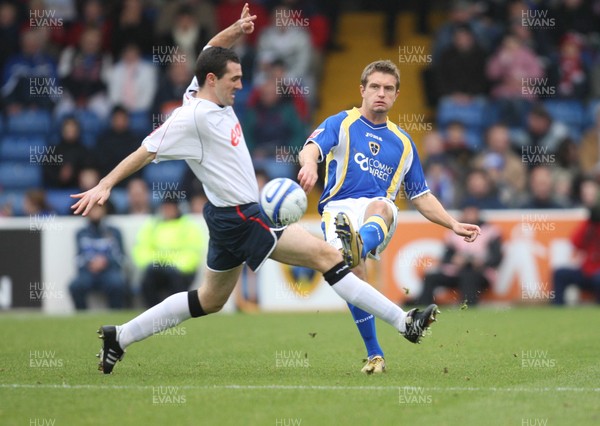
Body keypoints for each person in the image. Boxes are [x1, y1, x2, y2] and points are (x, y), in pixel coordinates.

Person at [71, 4, 480, 375]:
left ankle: (119, 337)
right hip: (240, 214)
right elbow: (143, 152)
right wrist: (105, 183)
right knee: (326, 255)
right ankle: (403, 322)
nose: (240, 86)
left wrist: (235, 29)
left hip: (228, 215)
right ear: (214, 81)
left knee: (209, 300)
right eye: (235, 79)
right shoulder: (189, 118)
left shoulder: (204, 91)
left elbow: (210, 49)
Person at [297, 59, 481, 374]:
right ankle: (376, 354)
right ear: (362, 90)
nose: (381, 93)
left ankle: (356, 245)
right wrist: (310, 165)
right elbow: (311, 147)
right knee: (355, 279)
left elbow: (421, 195)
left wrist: (452, 223)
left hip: (376, 213)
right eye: (375, 87)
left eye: (388, 88)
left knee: (382, 205)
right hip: (338, 209)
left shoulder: (404, 143)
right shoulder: (341, 123)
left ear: (396, 95)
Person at [417, 203, 503, 306]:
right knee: (431, 277)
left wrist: (482, 262)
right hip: (456, 270)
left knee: (469, 275)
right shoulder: (453, 232)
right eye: (467, 212)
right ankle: (425, 305)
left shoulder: (490, 231)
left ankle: (469, 305)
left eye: (473, 212)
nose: (470, 216)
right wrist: (455, 259)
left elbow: (497, 257)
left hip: (481, 272)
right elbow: (446, 257)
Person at [133, 199, 204, 308]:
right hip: (157, 267)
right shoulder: (152, 225)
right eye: (165, 207)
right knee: (148, 279)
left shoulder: (188, 226)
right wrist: (154, 262)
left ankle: (175, 311)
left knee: (175, 278)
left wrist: (174, 265)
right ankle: (152, 311)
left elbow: (192, 253)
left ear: (177, 208)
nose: (167, 210)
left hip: (180, 271)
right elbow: (141, 248)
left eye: (170, 207)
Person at [69, 202, 128, 310]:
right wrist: (90, 262)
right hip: (88, 272)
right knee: (75, 286)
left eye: (98, 208)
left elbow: (122, 258)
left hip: (109, 271)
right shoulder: (81, 233)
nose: (95, 211)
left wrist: (106, 262)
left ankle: (116, 316)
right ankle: (81, 317)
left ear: (104, 210)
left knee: (117, 284)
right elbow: (78, 258)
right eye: (92, 208)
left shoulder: (114, 232)